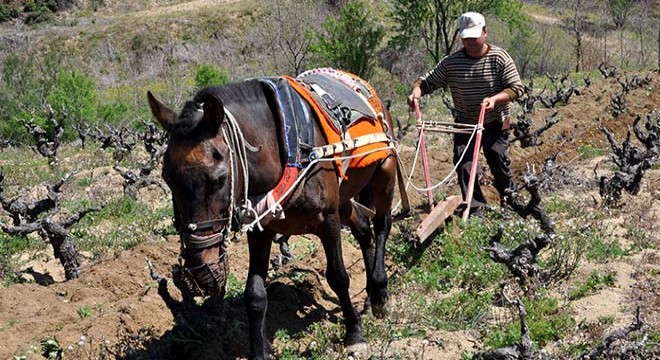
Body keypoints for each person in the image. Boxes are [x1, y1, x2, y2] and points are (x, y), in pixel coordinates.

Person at [408, 11, 524, 215]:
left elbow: (516, 88)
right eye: (466, 38)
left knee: (498, 163)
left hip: (495, 121)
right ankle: (476, 208)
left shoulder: (499, 58)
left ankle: (511, 202)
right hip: (465, 122)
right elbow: (428, 81)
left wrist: (495, 99)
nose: (470, 41)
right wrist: (417, 91)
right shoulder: (452, 63)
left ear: (485, 33)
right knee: (464, 163)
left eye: (474, 36)